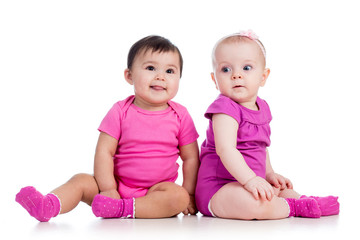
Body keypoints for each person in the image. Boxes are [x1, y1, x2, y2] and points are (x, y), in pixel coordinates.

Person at [16, 35, 199, 222]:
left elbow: (191, 157)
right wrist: (108, 188)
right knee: (81, 180)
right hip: (116, 187)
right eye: (150, 68)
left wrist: (190, 194)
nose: (160, 76)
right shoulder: (120, 111)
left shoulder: (181, 115)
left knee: (178, 197)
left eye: (170, 71)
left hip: (157, 192)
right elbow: (104, 151)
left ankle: (120, 209)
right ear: (129, 76)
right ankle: (47, 206)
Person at [195, 30, 339, 219]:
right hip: (218, 188)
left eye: (246, 68)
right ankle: (295, 207)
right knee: (255, 205)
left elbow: (261, 146)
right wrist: (251, 180)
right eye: (226, 69)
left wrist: (268, 173)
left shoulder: (262, 107)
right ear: (215, 79)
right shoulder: (224, 108)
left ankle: (303, 200)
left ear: (263, 76)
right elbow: (226, 150)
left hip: (251, 181)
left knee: (279, 190)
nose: (236, 75)